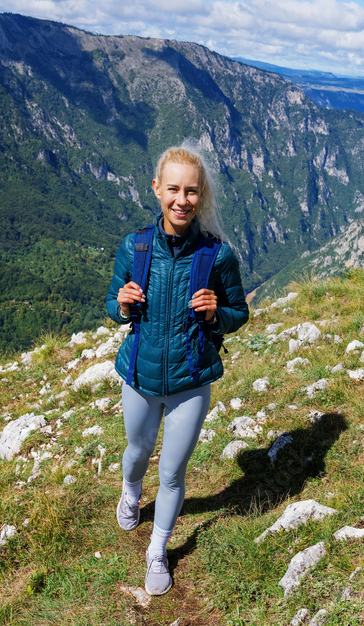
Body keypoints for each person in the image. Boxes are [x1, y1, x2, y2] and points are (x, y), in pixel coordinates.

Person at [106, 145, 249, 595]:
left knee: (171, 473)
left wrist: (213, 315)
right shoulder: (136, 247)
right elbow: (112, 304)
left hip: (192, 379)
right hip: (142, 376)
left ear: (200, 193)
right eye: (173, 189)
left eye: (190, 191)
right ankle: (130, 491)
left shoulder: (217, 256)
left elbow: (239, 313)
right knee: (137, 449)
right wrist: (121, 304)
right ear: (157, 189)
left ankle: (157, 551)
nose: (181, 200)